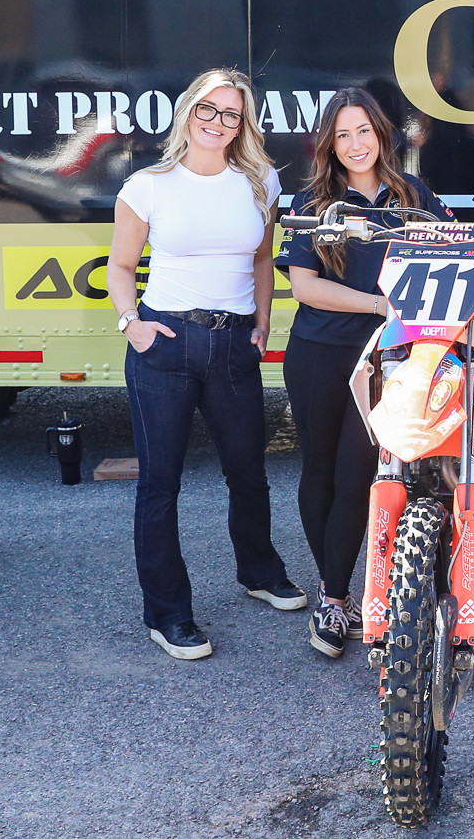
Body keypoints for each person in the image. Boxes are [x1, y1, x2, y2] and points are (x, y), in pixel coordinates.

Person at [107, 69, 304, 661]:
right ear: (189, 112)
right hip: (165, 345)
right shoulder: (148, 186)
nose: (218, 122)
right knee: (159, 485)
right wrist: (131, 324)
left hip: (234, 344)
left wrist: (263, 322)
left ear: (243, 125)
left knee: (248, 471)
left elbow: (263, 259)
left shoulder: (260, 181)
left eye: (231, 114)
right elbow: (120, 267)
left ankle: (259, 572)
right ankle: (167, 614)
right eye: (208, 110)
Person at [278, 88, 451, 658]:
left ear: (381, 134)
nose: (355, 144)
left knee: (358, 475)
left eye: (364, 131)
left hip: (389, 359)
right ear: (329, 143)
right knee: (319, 471)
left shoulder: (414, 195)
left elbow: (453, 253)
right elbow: (305, 287)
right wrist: (382, 305)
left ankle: (340, 593)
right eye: (342, 134)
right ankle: (334, 597)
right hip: (319, 353)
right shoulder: (312, 202)